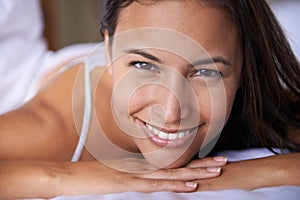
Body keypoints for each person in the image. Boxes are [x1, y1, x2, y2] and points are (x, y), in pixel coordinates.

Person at [0, 0, 299, 198]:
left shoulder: (251, 96)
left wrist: (244, 173)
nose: (171, 112)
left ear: (246, 65)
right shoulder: (56, 125)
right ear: (108, 48)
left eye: (206, 73)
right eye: (144, 65)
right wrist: (66, 175)